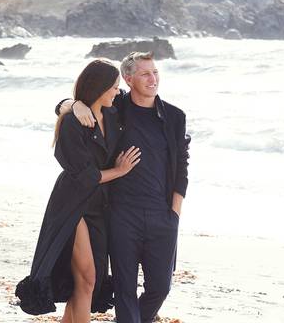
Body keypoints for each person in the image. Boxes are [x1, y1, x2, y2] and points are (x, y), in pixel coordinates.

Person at [57, 51, 190, 323]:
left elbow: (182, 166)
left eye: (155, 72)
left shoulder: (174, 116)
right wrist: (74, 104)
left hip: (162, 214)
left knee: (160, 288)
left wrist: (175, 212)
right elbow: (79, 100)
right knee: (124, 288)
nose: (153, 79)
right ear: (128, 79)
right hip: (121, 214)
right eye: (145, 74)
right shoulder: (115, 107)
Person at [16, 59, 141, 323]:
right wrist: (119, 171)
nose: (117, 91)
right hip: (72, 204)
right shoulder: (73, 123)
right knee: (87, 277)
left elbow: (140, 104)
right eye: (114, 87)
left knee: (84, 282)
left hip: (101, 206)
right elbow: (85, 177)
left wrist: (72, 102)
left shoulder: (112, 112)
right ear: (99, 87)